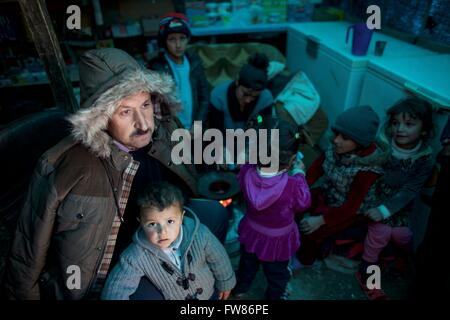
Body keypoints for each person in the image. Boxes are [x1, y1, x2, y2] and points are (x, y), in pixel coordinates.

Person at [3, 48, 227, 300]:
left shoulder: (163, 131)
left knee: (215, 213)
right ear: (101, 117)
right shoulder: (65, 166)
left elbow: (189, 178)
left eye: (144, 105)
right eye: (125, 111)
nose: (143, 123)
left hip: (162, 234)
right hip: (117, 269)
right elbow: (29, 246)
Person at [356, 98, 435, 300]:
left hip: (400, 207)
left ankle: (397, 257)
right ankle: (368, 277)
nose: (400, 129)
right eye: (395, 123)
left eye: (409, 124)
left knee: (403, 235)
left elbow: (411, 189)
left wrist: (387, 210)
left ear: (424, 130)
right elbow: (368, 165)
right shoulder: (384, 145)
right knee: (379, 234)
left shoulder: (424, 157)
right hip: (375, 201)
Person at [101, 182, 235, 300]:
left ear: (181, 218)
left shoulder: (199, 234)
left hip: (209, 293)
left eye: (170, 221)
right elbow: (116, 287)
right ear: (141, 223)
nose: (162, 232)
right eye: (152, 224)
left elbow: (219, 258)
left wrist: (225, 282)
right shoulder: (136, 255)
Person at [232, 117, 311, 300]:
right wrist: (300, 174)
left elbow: (241, 179)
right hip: (278, 240)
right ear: (292, 159)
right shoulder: (293, 186)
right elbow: (303, 203)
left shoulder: (246, 171)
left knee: (247, 264)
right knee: (277, 274)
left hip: (252, 231)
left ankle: (241, 289)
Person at [297, 105, 387, 266]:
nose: (336, 140)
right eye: (337, 134)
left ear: (360, 142)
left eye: (344, 137)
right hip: (328, 193)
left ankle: (304, 261)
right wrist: (296, 189)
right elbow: (313, 173)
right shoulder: (335, 148)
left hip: (349, 211)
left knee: (312, 231)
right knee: (294, 204)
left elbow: (351, 207)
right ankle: (286, 239)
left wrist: (320, 220)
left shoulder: (367, 169)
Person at [148, 12, 209, 129]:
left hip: (195, 126)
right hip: (172, 129)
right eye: (172, 39)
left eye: (182, 38)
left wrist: (197, 124)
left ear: (188, 39)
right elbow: (156, 107)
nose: (178, 45)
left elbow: (204, 97)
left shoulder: (195, 63)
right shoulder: (157, 68)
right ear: (164, 42)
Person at [208, 53, 274, 133]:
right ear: (237, 82)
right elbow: (215, 131)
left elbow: (262, 124)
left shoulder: (266, 98)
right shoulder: (218, 95)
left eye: (254, 97)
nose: (248, 100)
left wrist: (259, 120)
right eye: (245, 94)